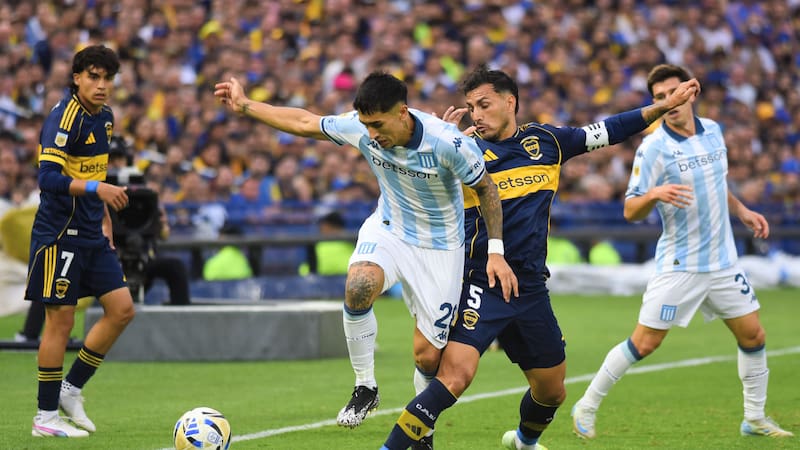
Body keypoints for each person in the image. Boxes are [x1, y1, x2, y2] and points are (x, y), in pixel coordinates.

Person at [380, 64, 701, 450]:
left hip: (530, 286)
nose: (476, 114)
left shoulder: (547, 141)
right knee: (454, 376)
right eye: (472, 107)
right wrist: (434, 144)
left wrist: (662, 107)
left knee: (552, 390)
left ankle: (524, 442)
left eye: (484, 105)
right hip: (480, 279)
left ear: (510, 102)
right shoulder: (462, 148)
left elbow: (609, 129)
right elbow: (413, 178)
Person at [214, 71, 518, 436]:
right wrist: (246, 105)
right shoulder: (361, 128)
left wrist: (495, 251)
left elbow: (487, 190)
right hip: (390, 228)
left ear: (402, 113)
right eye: (366, 125)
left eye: (378, 125)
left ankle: (423, 432)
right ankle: (365, 386)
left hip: (440, 246)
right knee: (359, 285)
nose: (371, 134)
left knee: (427, 356)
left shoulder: (446, 142)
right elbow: (305, 122)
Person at [571, 64, 793, 440]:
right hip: (681, 264)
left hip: (723, 262)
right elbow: (630, 210)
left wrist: (742, 210)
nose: (669, 102)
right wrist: (655, 193)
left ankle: (754, 418)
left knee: (754, 336)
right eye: (660, 97)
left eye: (674, 93)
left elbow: (717, 183)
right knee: (644, 342)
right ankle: (587, 405)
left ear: (691, 92)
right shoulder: (653, 148)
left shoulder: (714, 132)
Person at [27, 44, 134, 438]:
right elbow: (48, 179)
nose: (101, 85)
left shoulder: (105, 118)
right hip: (59, 234)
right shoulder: (64, 117)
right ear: (76, 78)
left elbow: (94, 173)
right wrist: (97, 189)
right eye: (93, 76)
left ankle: (71, 389)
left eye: (107, 78)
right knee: (60, 321)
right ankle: (45, 417)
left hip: (91, 233)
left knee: (122, 309)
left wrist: (103, 218)